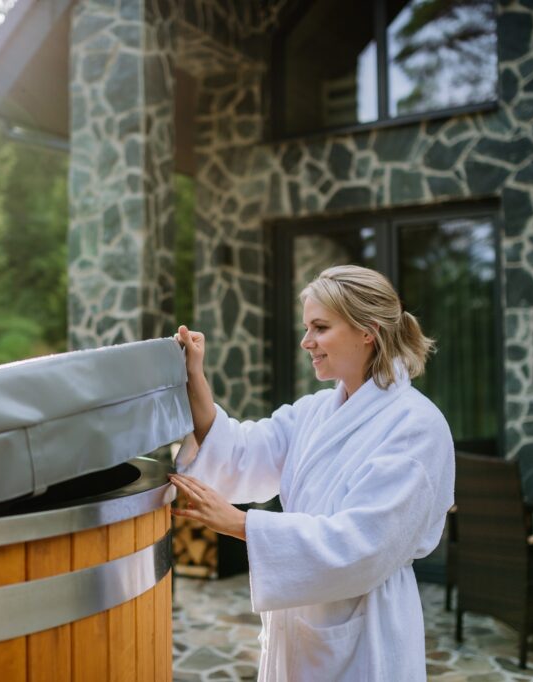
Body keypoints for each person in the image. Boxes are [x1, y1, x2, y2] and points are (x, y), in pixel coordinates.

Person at [169, 264, 454, 682]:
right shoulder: (316, 410)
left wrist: (242, 525)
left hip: (367, 636)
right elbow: (244, 452)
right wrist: (195, 376)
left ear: (367, 331)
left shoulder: (415, 426)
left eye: (320, 327)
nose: (307, 342)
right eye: (307, 328)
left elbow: (364, 546)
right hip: (302, 626)